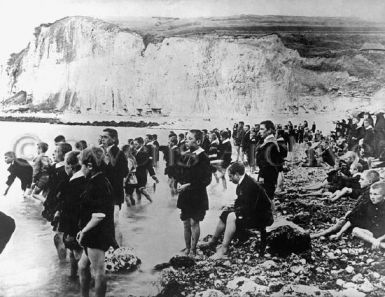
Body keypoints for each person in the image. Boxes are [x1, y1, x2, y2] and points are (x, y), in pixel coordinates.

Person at [201, 162, 273, 259]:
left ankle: (224, 249)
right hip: (254, 212)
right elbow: (241, 202)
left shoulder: (250, 185)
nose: (229, 180)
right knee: (225, 214)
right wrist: (231, 208)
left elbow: (250, 207)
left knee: (231, 217)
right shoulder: (243, 183)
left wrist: (236, 212)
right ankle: (213, 241)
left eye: (230, 176)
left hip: (262, 216)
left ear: (237, 174)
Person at [77, 147, 114, 297]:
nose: (81, 169)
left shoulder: (96, 184)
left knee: (99, 271)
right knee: (82, 266)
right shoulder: (100, 179)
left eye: (82, 165)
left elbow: (99, 215)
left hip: (96, 233)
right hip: (95, 230)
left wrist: (83, 231)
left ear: (90, 166)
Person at [176, 130, 212, 257]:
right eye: (186, 138)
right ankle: (187, 248)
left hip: (197, 195)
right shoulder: (187, 155)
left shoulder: (203, 157)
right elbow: (181, 173)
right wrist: (179, 183)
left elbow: (207, 180)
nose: (186, 140)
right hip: (185, 194)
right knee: (185, 222)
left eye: (190, 138)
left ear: (198, 141)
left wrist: (189, 185)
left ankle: (193, 249)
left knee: (194, 222)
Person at [326, 182, 385, 249]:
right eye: (370, 194)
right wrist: (339, 234)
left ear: (383, 196)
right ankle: (378, 244)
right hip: (370, 234)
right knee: (355, 230)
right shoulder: (366, 204)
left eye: (375, 194)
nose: (372, 197)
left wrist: (379, 239)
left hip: (383, 235)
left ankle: (377, 243)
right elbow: (352, 219)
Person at [57, 151, 86, 278]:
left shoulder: (75, 183)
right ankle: (73, 279)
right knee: (74, 253)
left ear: (70, 165)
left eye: (65, 163)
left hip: (74, 226)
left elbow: (72, 209)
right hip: (80, 224)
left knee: (77, 254)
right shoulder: (82, 179)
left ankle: (82, 283)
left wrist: (69, 231)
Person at [100, 128, 128, 248]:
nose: (102, 139)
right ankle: (110, 248)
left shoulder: (118, 153)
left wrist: (107, 164)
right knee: (106, 222)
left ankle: (118, 252)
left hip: (114, 193)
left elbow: (124, 172)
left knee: (114, 222)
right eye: (101, 137)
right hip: (103, 193)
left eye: (105, 137)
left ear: (114, 139)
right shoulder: (102, 152)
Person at [256, 120, 283, 199]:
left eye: (262, 129)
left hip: (267, 178)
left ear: (269, 130)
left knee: (266, 200)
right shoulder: (268, 142)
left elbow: (272, 165)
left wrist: (261, 178)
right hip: (266, 176)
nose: (259, 131)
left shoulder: (270, 145)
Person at [133, 137, 159, 203]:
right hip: (136, 174)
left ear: (141, 144)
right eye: (134, 144)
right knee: (138, 190)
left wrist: (153, 175)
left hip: (141, 174)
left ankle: (151, 201)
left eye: (136, 144)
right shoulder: (135, 151)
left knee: (141, 189)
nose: (134, 145)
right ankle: (139, 204)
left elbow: (148, 165)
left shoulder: (144, 152)